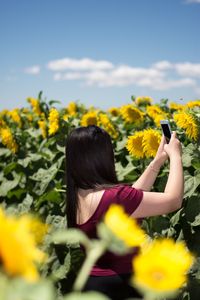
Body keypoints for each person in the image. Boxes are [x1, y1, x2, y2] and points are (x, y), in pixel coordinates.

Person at [65, 125, 183, 300]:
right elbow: (173, 200)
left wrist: (157, 161)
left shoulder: (77, 196)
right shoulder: (114, 197)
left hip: (93, 285)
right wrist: (175, 156)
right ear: (104, 157)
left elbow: (131, 201)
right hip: (123, 288)